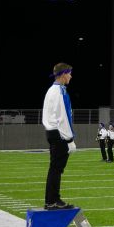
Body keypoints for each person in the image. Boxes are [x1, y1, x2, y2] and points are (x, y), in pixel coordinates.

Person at [41, 63, 76, 210]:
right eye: (69, 74)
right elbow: (64, 118)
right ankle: (52, 200)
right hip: (59, 134)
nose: (71, 76)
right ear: (63, 75)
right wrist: (70, 139)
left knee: (55, 168)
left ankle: (53, 199)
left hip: (52, 132)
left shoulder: (52, 90)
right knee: (56, 169)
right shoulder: (59, 92)